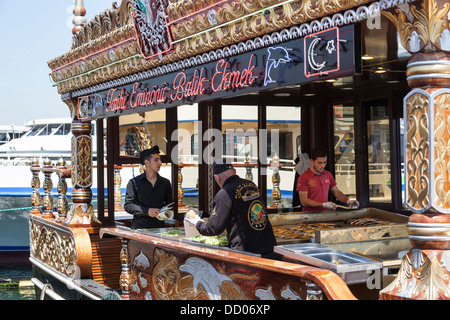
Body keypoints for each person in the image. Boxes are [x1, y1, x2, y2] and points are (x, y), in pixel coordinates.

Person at [186, 160, 279, 259]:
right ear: (234, 171)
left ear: (216, 178)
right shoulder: (251, 185)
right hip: (269, 247)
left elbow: (213, 228)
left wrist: (197, 223)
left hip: (247, 253)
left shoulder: (224, 194)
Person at [124, 145, 173, 229]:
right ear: (147, 163)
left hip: (160, 229)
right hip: (139, 229)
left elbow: (170, 205)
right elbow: (128, 205)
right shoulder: (134, 183)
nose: (160, 163)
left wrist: (166, 213)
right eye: (156, 160)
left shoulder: (165, 183)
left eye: (160, 159)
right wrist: (147, 211)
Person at [297, 147, 359, 211]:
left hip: (325, 214)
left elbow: (336, 192)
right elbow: (304, 201)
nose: (323, 166)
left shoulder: (328, 174)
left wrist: (347, 201)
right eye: (319, 163)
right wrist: (323, 204)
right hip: (309, 215)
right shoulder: (304, 177)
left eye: (325, 162)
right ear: (312, 161)